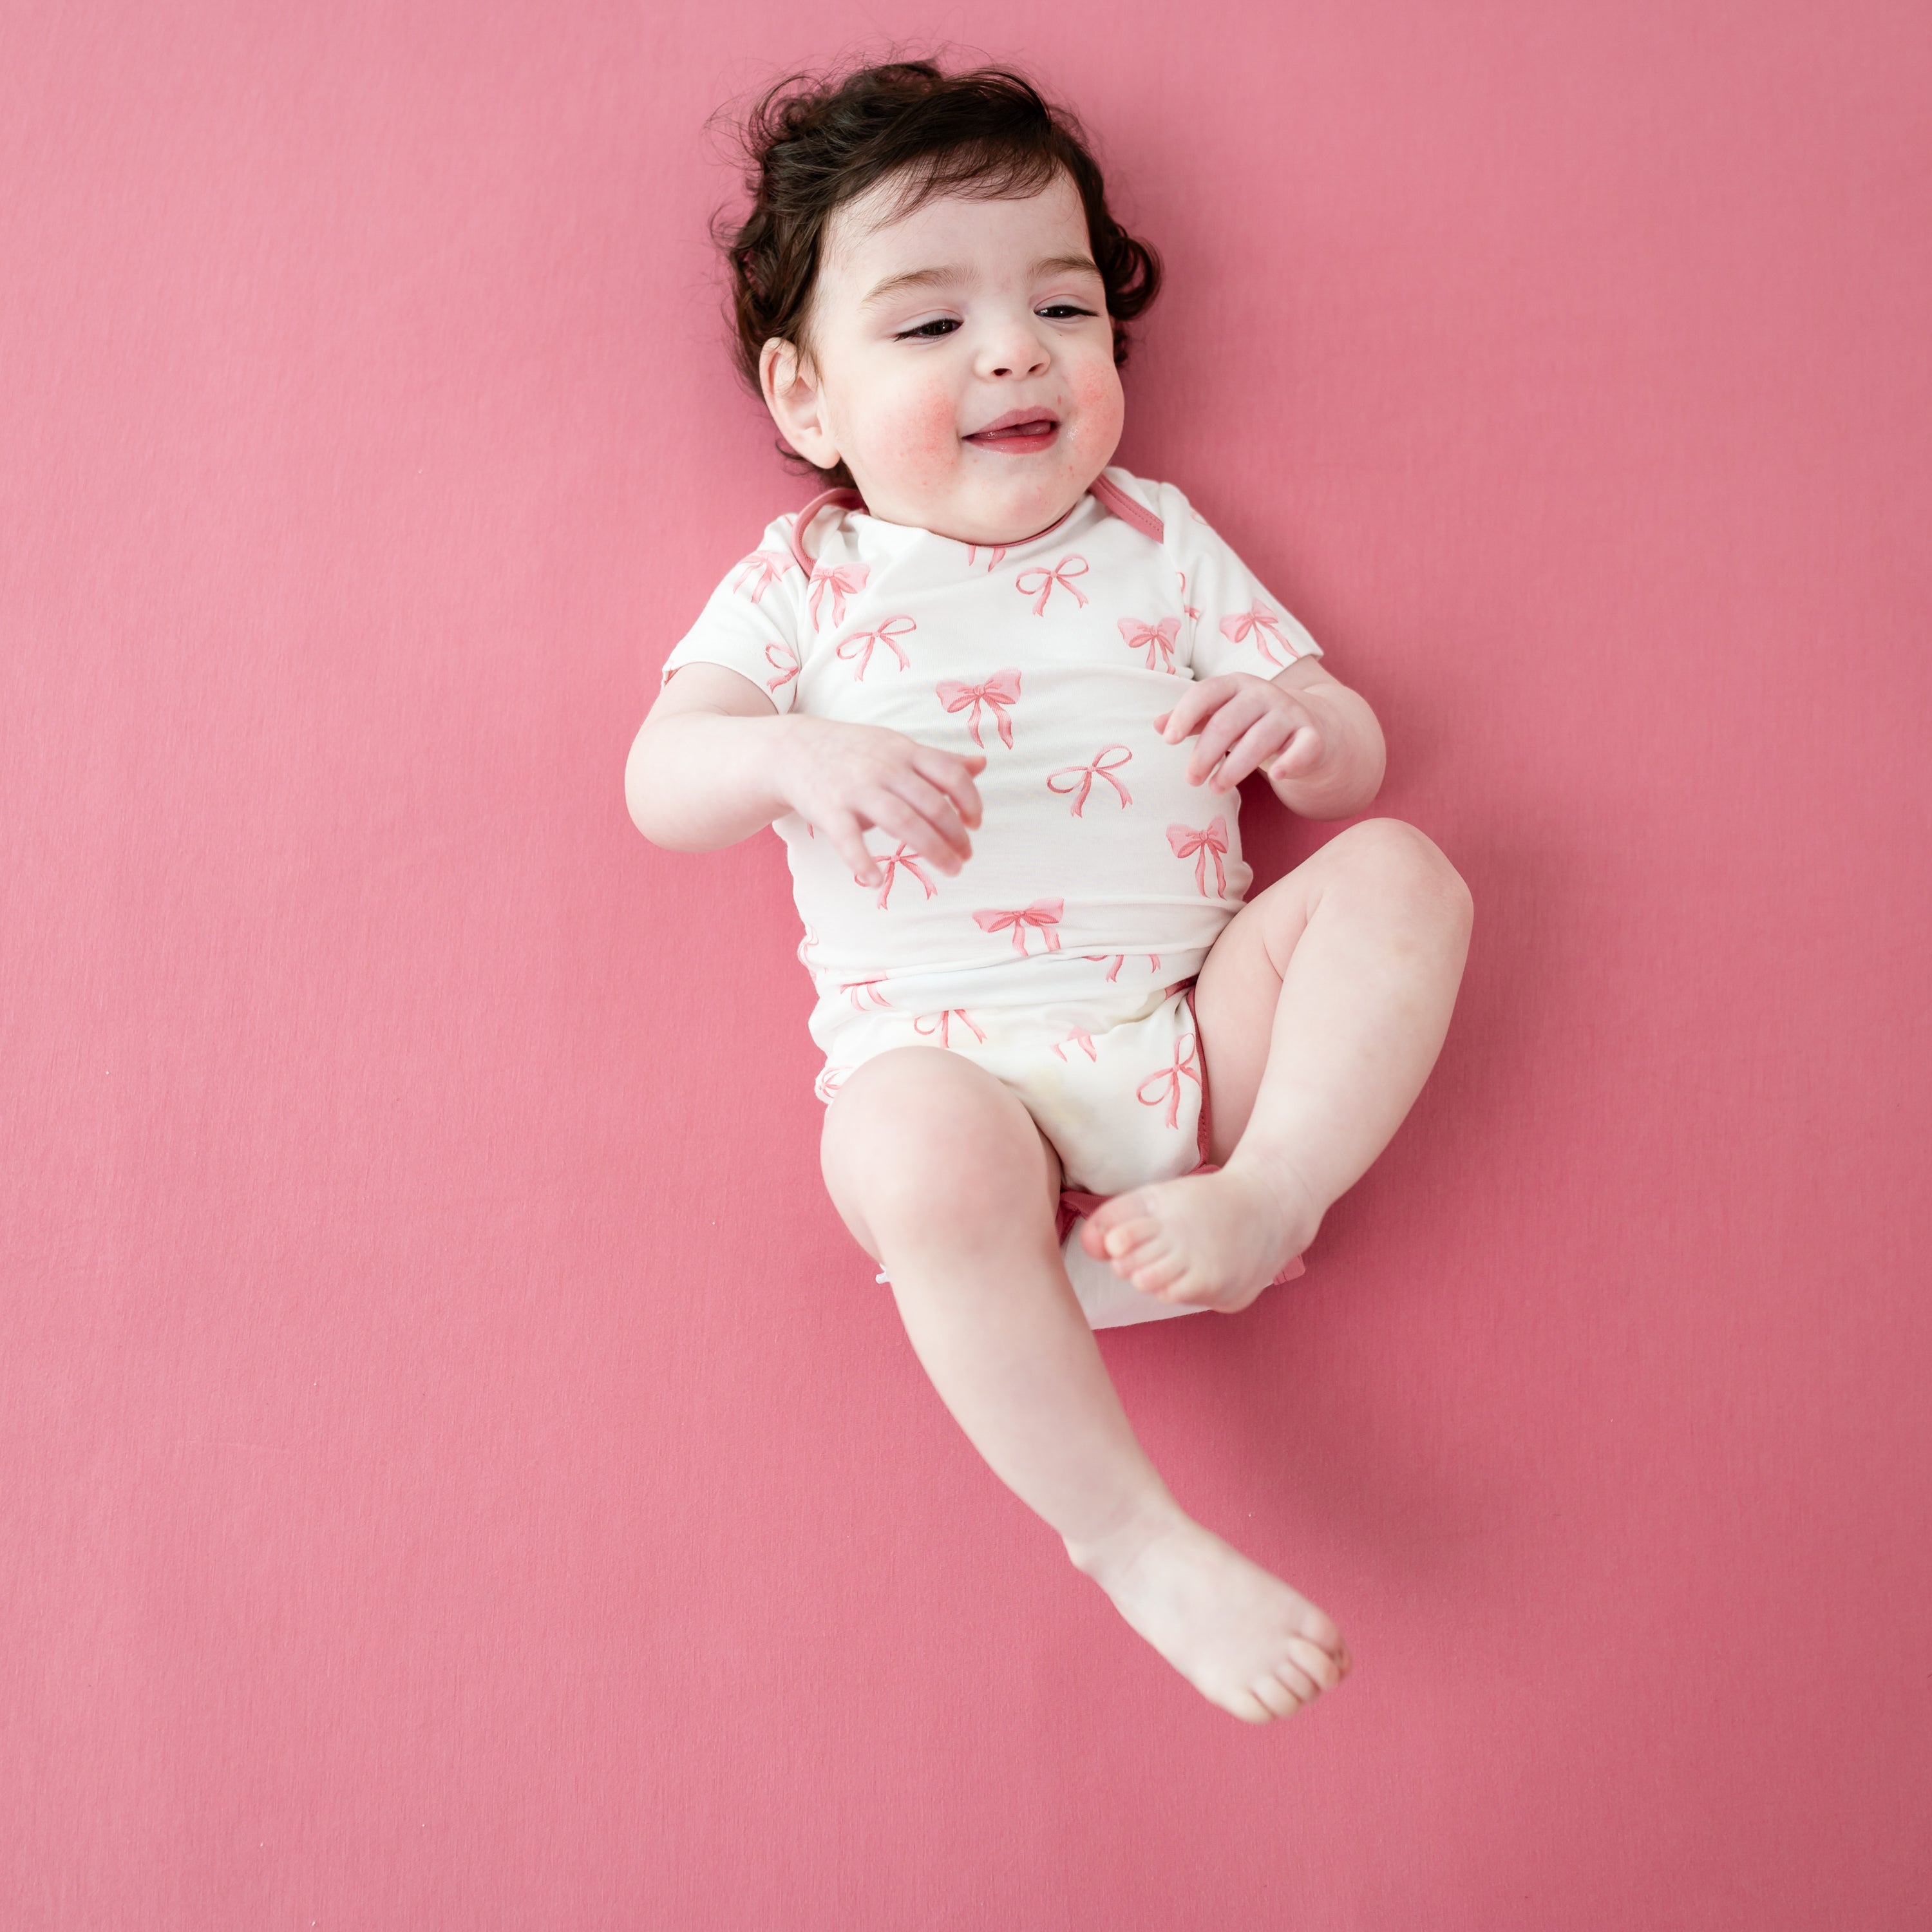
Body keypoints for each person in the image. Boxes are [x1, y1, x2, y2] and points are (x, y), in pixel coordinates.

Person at [625, 59, 1473, 1724]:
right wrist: (789, 755)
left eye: (1062, 307)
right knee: (906, 1136)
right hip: (957, 1084)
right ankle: (1132, 1535)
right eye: (930, 326)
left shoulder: (1158, 538)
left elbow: (1355, 753)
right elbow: (663, 784)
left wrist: (1300, 730)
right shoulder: (802, 583)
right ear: (807, 402)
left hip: (1185, 1042)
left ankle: (1273, 1199)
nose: (1013, 350)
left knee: (1401, 872)